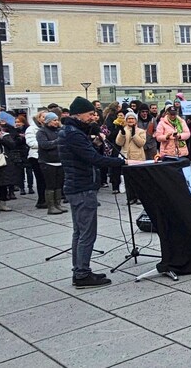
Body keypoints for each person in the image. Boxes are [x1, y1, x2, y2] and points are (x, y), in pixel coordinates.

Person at [59, 97, 126, 288]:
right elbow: (93, 159)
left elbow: (85, 154)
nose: (93, 118)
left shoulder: (71, 131)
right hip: (82, 188)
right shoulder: (73, 134)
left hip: (77, 186)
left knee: (79, 232)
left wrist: (96, 141)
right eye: (90, 114)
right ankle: (82, 274)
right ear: (78, 114)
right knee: (86, 233)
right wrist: (122, 162)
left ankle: (80, 270)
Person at [36, 112, 67, 215]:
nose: (56, 122)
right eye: (54, 120)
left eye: (57, 120)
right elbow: (44, 145)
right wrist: (57, 141)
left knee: (59, 184)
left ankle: (58, 204)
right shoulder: (42, 132)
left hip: (59, 161)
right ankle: (51, 206)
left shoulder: (59, 131)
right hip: (47, 162)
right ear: (48, 121)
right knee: (50, 185)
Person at [25, 110, 47, 208]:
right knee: (41, 179)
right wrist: (46, 145)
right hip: (36, 156)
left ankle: (50, 199)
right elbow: (31, 143)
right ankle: (41, 200)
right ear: (39, 118)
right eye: (43, 117)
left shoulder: (50, 128)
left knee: (49, 179)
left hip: (49, 156)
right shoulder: (31, 129)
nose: (45, 119)